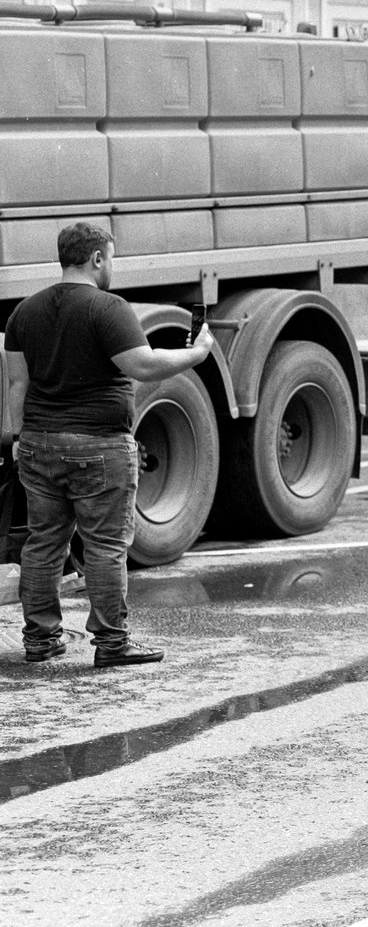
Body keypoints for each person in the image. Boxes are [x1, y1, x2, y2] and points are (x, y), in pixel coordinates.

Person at [1, 222, 215, 667]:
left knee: (42, 544)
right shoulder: (108, 307)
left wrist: (21, 439)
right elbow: (142, 364)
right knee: (104, 546)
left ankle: (40, 640)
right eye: (111, 258)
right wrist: (197, 354)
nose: (111, 266)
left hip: (39, 443)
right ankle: (112, 643)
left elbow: (18, 383)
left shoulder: (24, 312)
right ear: (98, 258)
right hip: (98, 446)